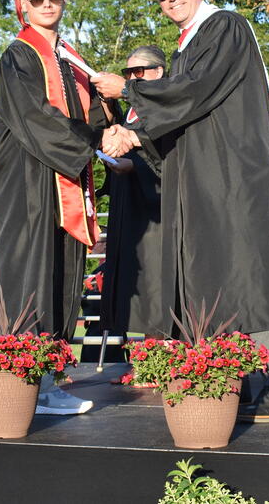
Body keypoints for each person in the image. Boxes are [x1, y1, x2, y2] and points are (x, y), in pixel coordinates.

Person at [92, 0, 269, 424]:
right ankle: (233, 379)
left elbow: (192, 91)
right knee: (211, 276)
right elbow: (184, 111)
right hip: (204, 178)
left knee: (246, 273)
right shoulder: (188, 46)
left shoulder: (224, 27)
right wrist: (131, 136)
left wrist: (130, 92)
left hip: (233, 177)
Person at [0, 0, 112, 415]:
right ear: (22, 3)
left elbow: (94, 113)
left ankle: (49, 381)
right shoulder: (18, 55)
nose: (47, 3)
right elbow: (36, 118)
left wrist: (113, 130)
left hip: (64, 178)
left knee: (62, 277)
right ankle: (27, 387)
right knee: (32, 277)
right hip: (29, 181)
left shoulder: (71, 59)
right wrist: (95, 142)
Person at [100, 45, 169, 341]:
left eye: (138, 72)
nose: (131, 78)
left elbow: (172, 155)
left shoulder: (167, 107)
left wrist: (135, 165)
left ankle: (160, 355)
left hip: (156, 210)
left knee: (154, 285)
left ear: (159, 72)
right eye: (127, 73)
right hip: (127, 206)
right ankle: (139, 357)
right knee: (131, 284)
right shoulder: (128, 111)